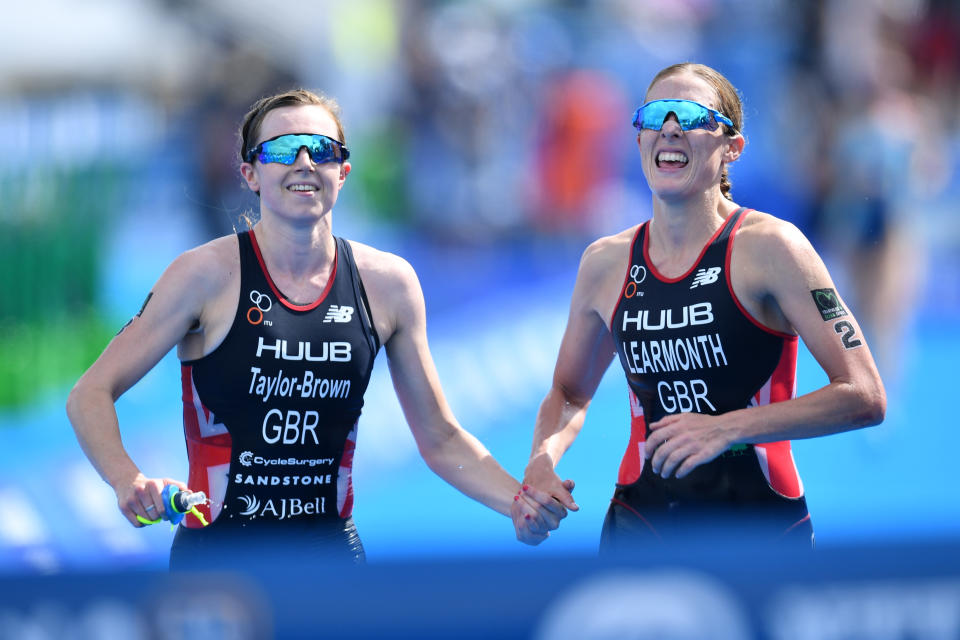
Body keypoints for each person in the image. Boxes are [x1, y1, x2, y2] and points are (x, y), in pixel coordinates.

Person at [66, 88, 570, 569]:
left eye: (322, 150)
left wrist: (517, 502)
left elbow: (439, 436)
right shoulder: (204, 275)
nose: (304, 162)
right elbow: (90, 393)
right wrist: (126, 479)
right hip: (219, 563)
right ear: (250, 173)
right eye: (283, 149)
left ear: (343, 172)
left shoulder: (387, 284)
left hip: (331, 561)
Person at [513, 63, 886, 550]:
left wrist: (728, 429)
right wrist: (542, 461)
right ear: (640, 139)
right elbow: (568, 392)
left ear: (732, 147)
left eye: (689, 115)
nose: (670, 127)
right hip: (640, 523)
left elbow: (864, 394)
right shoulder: (606, 263)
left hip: (759, 525)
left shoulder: (773, 248)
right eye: (655, 115)